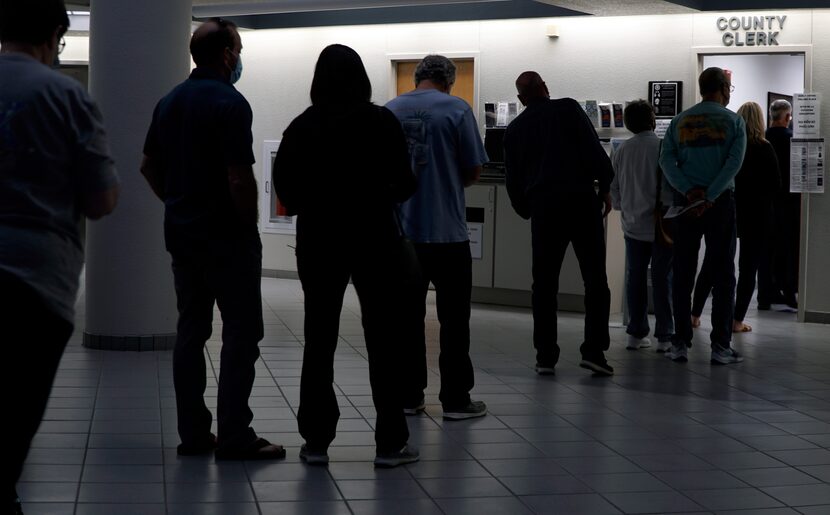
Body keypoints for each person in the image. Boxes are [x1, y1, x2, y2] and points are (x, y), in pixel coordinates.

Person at [141, 18, 284, 461]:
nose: (240, 56)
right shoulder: (231, 103)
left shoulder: (170, 101)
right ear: (227, 54)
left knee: (191, 331)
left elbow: (148, 166)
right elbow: (240, 177)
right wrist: (245, 223)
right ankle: (236, 434)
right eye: (238, 48)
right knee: (242, 333)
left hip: (183, 236)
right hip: (227, 239)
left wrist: (179, 203)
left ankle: (195, 435)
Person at [273, 44, 419, 468]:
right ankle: (390, 442)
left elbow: (287, 194)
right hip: (375, 239)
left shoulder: (301, 127)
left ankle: (316, 440)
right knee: (383, 338)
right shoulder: (380, 122)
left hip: (319, 242)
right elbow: (406, 183)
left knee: (319, 338)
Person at [1, 1, 120, 513]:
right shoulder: (65, 96)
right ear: (54, 35)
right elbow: (102, 200)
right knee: (11, 428)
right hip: (35, 287)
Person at [386, 55, 489, 420]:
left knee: (406, 320)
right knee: (454, 320)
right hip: (448, 233)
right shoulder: (457, 109)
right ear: (449, 81)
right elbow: (474, 170)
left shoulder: (389, 110)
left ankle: (409, 396)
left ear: (416, 79)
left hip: (403, 235)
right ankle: (456, 400)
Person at [503, 71, 615, 377]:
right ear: (546, 89)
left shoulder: (514, 130)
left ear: (521, 99)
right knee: (595, 280)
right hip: (580, 203)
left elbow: (512, 178)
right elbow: (594, 152)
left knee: (544, 284)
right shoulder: (567, 108)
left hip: (544, 210)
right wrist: (604, 188)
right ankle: (593, 351)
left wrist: (526, 209)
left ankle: (545, 356)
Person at [659, 67, 746, 364]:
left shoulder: (680, 121)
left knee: (682, 273)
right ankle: (720, 346)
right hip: (720, 204)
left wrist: (689, 191)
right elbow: (734, 163)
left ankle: (680, 342)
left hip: (686, 204)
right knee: (724, 275)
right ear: (722, 88)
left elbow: (666, 160)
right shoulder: (734, 121)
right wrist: (711, 194)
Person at [689, 102, 779, 333]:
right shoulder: (765, 147)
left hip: (727, 209)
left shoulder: (730, 146)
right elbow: (775, 185)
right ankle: (736, 320)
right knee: (748, 269)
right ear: (760, 120)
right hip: (757, 217)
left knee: (711, 262)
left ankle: (695, 314)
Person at [610, 100, 674, 353]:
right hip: (662, 224)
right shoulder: (662, 147)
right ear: (652, 119)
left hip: (632, 224)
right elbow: (671, 185)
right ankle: (665, 335)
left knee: (634, 277)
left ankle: (636, 333)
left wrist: (623, 207)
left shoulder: (622, 149)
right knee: (662, 279)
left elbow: (614, 187)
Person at [766, 99, 799, 311]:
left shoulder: (763, 138)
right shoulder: (792, 140)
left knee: (768, 249)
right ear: (787, 117)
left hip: (766, 202)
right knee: (788, 248)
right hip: (788, 201)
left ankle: (767, 292)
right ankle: (788, 291)